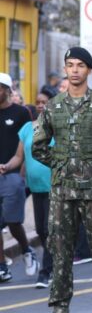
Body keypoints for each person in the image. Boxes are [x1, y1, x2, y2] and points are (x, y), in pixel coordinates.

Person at [34, 48, 92, 313]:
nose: (75, 70)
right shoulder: (53, 107)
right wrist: (62, 164)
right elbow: (39, 145)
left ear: (89, 70)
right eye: (70, 65)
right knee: (60, 254)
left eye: (80, 65)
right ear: (65, 69)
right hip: (63, 192)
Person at [0, 72, 36, 284]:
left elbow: (28, 143)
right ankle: (2, 266)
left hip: (13, 175)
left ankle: (26, 249)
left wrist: (22, 173)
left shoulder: (21, 113)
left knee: (13, 221)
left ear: (7, 90)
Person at [21, 93, 52, 289]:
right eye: (38, 102)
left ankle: (45, 272)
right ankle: (55, 262)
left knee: (48, 229)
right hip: (35, 186)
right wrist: (11, 171)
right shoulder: (27, 128)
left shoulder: (56, 127)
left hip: (53, 186)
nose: (40, 105)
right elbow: (20, 157)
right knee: (40, 229)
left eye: (44, 102)